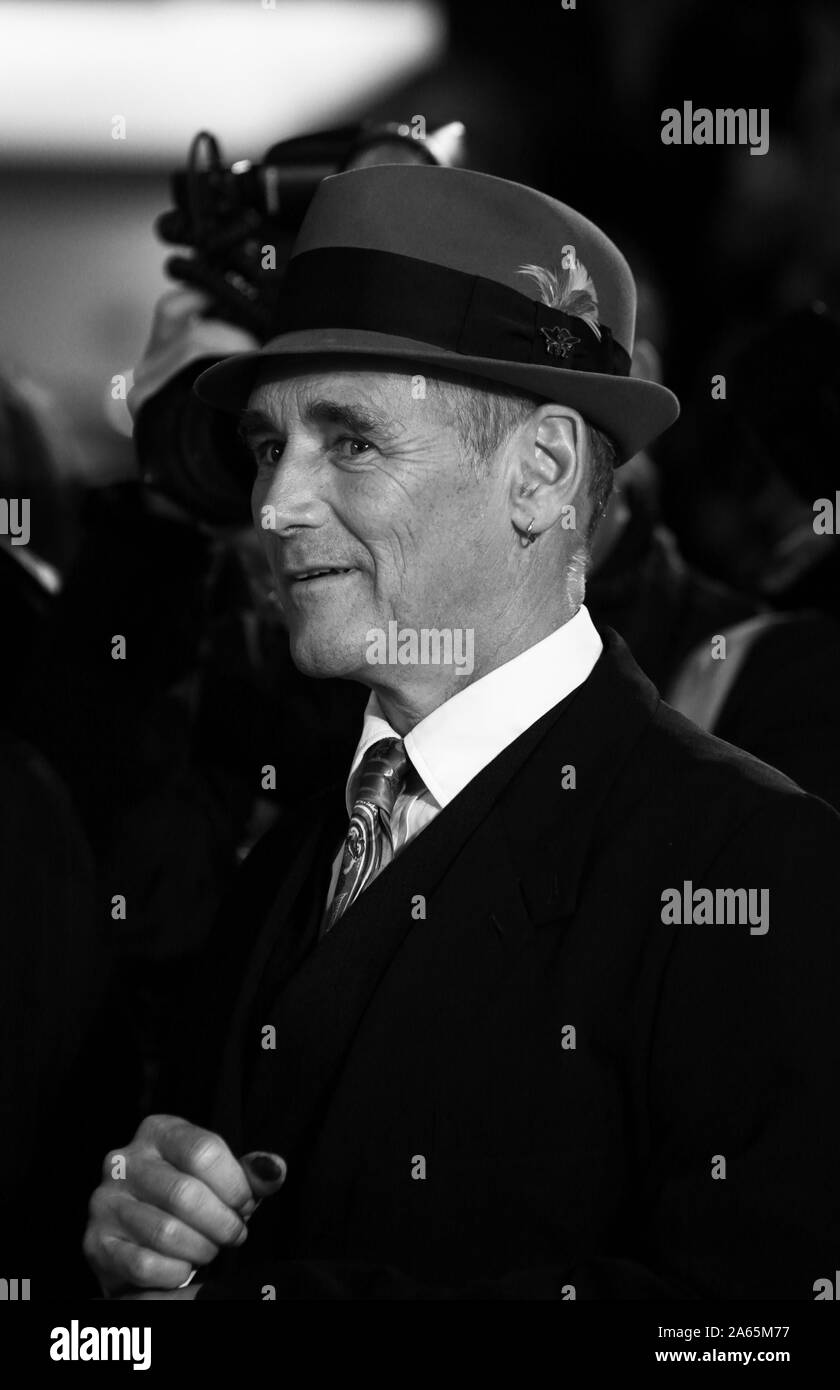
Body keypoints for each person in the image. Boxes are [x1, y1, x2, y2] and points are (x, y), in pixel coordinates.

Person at [84, 164, 840, 1300]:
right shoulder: (291, 855)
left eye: (350, 441)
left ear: (538, 473)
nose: (274, 505)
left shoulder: (753, 868)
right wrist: (143, 1230)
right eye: (263, 445)